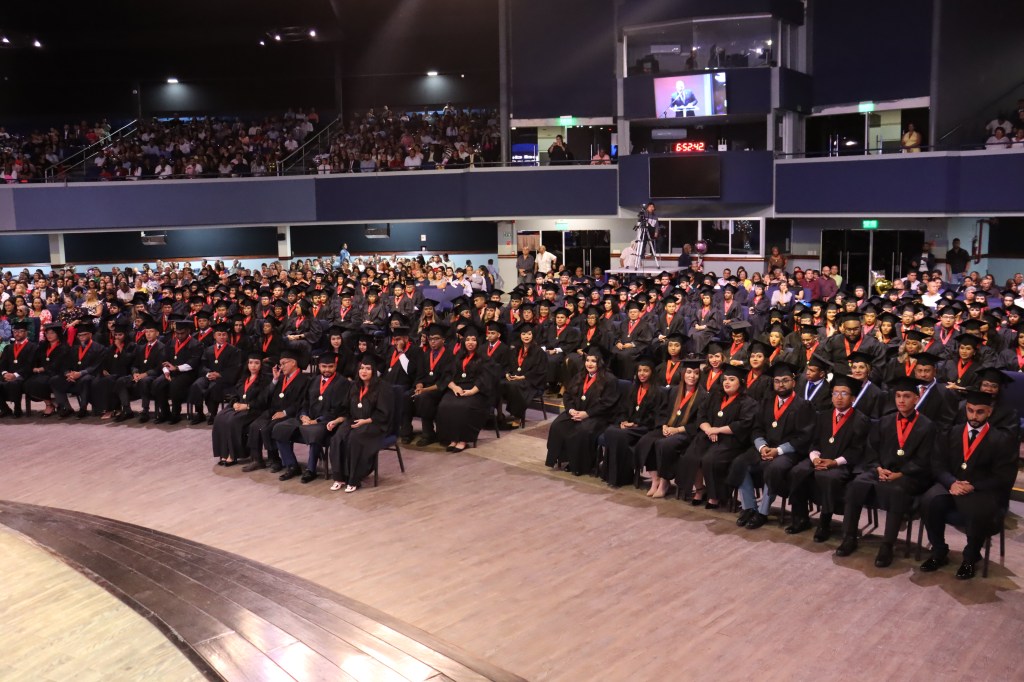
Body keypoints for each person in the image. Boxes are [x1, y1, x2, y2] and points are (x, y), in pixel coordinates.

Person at [834, 376, 935, 567]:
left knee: (896, 492)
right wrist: (878, 468)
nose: (901, 400)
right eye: (898, 396)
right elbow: (872, 449)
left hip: (909, 476)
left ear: (916, 398)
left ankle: (887, 545)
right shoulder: (885, 421)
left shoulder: (927, 426)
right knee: (856, 485)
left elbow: (925, 459)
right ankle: (849, 537)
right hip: (880, 469)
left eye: (906, 396)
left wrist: (901, 473)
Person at [919, 390, 1017, 579]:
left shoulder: (1001, 440)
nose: (974, 416)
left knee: (977, 512)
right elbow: (938, 464)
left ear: (989, 412)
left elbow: (1004, 476)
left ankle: (970, 558)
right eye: (970, 410)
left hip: (981, 489)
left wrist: (974, 486)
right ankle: (939, 551)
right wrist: (951, 482)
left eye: (980, 412)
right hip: (952, 484)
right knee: (929, 501)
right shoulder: (951, 433)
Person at [784, 374, 872, 541]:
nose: (839, 398)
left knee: (828, 477)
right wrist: (815, 458)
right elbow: (814, 442)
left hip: (843, 464)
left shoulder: (860, 420)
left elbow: (857, 450)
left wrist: (834, 462)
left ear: (853, 398)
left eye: (844, 393)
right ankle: (801, 517)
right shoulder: (823, 416)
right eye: (835, 393)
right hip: (819, 460)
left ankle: (825, 522)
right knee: (797, 471)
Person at [729, 362, 815, 529]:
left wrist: (778, 450)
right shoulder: (766, 402)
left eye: (785, 380)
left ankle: (762, 512)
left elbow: (804, 437)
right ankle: (749, 507)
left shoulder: (803, 406)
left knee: (773, 468)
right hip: (766, 447)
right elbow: (757, 428)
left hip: (789, 452)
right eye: (777, 381)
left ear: (793, 382)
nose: (780, 385)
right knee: (740, 462)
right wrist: (762, 447)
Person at [674, 364, 757, 508]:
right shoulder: (714, 396)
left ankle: (716, 496)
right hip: (708, 435)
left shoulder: (748, 403)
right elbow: (701, 415)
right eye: (725, 379)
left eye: (732, 379)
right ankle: (700, 489)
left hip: (731, 440)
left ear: (741, 382)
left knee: (710, 460)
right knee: (691, 456)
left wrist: (717, 430)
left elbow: (743, 425)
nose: (727, 382)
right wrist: (709, 430)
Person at [272, 351, 350, 482]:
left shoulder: (342, 383)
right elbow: (305, 402)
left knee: (315, 432)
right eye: (324, 366)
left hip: (326, 422)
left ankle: (311, 469)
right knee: (279, 428)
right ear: (319, 366)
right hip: (307, 420)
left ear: (335, 366)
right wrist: (303, 416)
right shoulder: (313, 380)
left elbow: (339, 410)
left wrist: (316, 420)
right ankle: (292, 465)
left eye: (330, 366)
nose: (327, 370)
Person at [545, 346, 619, 475]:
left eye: (593, 361)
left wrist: (587, 413)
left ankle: (580, 465)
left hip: (598, 416)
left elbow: (608, 403)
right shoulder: (580, 375)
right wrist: (571, 409)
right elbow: (568, 394)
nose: (589, 364)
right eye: (587, 360)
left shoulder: (609, 379)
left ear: (600, 362)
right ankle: (565, 458)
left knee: (582, 430)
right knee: (558, 425)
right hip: (577, 411)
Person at [329, 354, 394, 493]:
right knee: (337, 438)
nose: (364, 371)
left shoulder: (382, 387)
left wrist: (366, 420)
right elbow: (346, 409)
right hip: (354, 420)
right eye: (362, 368)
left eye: (368, 368)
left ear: (374, 371)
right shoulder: (354, 386)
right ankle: (339, 477)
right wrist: (337, 420)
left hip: (374, 424)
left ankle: (354, 479)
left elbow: (383, 413)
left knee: (354, 438)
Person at [601, 355, 666, 487]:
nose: (642, 373)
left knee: (618, 434)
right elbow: (623, 408)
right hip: (631, 426)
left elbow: (655, 415)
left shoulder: (658, 392)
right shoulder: (634, 388)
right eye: (640, 370)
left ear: (652, 373)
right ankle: (611, 474)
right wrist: (623, 421)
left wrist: (636, 423)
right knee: (610, 431)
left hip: (645, 427)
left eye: (646, 370)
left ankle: (622, 477)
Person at [244, 350, 311, 473]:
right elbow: (267, 396)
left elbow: (302, 402)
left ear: (293, 363)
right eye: (280, 364)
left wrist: (285, 412)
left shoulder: (304, 380)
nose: (281, 367)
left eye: (284, 363)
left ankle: (275, 459)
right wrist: (274, 381)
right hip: (274, 410)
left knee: (267, 428)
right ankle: (257, 459)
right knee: (254, 425)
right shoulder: (280, 378)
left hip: (290, 414)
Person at [435, 325, 497, 451]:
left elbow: (485, 378)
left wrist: (472, 391)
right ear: (464, 341)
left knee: (464, 407)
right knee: (445, 405)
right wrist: (454, 387)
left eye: (473, 340)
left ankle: (463, 439)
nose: (470, 342)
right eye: (468, 339)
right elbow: (446, 375)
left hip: (476, 391)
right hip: (457, 388)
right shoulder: (457, 356)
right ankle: (452, 438)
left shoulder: (484, 358)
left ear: (477, 342)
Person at [211, 352, 271, 466]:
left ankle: (233, 455)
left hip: (255, 409)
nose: (253, 366)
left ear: (261, 365)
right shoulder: (244, 378)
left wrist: (247, 406)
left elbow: (263, 400)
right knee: (220, 417)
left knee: (232, 421)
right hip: (240, 406)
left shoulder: (265, 380)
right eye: (251, 363)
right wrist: (234, 403)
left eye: (256, 363)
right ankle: (224, 452)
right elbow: (235, 393)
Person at [50, 316, 107, 419]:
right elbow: (65, 364)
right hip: (74, 375)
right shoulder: (74, 348)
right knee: (55, 380)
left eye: (84, 335)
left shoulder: (99, 348)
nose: (81, 337)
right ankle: (66, 407)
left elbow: (96, 366)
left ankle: (83, 408)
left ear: (90, 334)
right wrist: (67, 373)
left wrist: (80, 374)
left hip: (91, 375)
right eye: (79, 335)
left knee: (85, 379)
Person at [187, 322, 242, 425]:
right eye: (219, 334)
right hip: (208, 376)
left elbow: (235, 368)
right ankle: (199, 413)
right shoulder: (208, 350)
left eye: (224, 334)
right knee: (196, 385)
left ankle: (213, 414)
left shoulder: (234, 351)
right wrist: (208, 373)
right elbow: (202, 365)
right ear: (214, 336)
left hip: (223, 378)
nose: (221, 337)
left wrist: (219, 374)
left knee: (213, 387)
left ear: (227, 336)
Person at [151, 319, 202, 424]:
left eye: (182, 333)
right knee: (157, 383)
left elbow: (193, 362)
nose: (179, 336)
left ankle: (176, 414)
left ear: (188, 331)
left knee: (175, 384)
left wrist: (177, 368)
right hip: (170, 372)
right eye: (177, 333)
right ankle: (165, 413)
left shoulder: (196, 344)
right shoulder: (171, 342)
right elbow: (163, 359)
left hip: (187, 374)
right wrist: (166, 371)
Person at [501, 322, 547, 428]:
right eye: (523, 334)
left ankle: (517, 415)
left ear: (533, 335)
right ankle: (499, 414)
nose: (526, 336)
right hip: (515, 378)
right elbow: (507, 365)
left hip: (531, 382)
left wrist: (523, 377)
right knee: (500, 383)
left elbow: (540, 371)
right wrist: (507, 373)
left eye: (529, 334)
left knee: (515, 386)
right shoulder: (515, 350)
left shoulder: (539, 352)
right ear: (520, 335)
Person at [0, 319, 38, 417]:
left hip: (25, 374)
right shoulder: (8, 347)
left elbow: (30, 365)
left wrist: (15, 375)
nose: (17, 334)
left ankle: (17, 408)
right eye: (15, 331)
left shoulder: (33, 347)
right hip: (8, 374)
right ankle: (4, 408)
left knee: (15, 382)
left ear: (26, 333)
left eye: (20, 331)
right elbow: (2, 364)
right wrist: (4, 373)